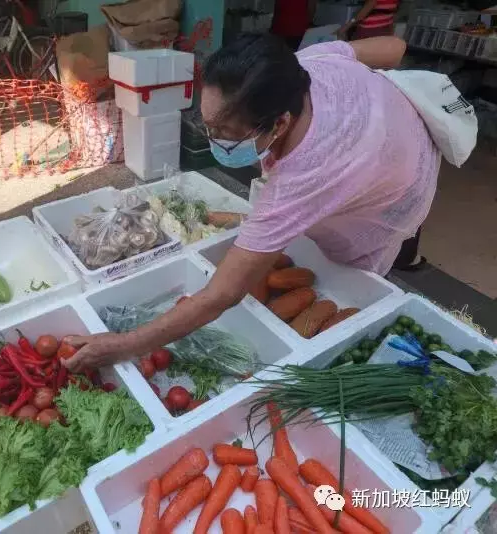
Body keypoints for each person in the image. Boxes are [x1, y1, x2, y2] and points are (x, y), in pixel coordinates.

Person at [63, 34, 439, 372]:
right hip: (392, 129)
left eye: (224, 132)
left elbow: (222, 294)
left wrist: (123, 345)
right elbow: (396, 46)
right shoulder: (298, 69)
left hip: (399, 186)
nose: (212, 138)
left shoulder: (306, 176)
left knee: (351, 272)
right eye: (208, 123)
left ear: (278, 124)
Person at [336, 0, 400, 40]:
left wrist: (344, 28)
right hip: (385, 30)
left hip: (369, 31)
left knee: (359, 55)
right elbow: (391, 15)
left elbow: (361, 15)